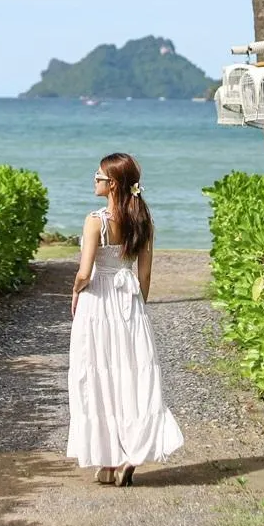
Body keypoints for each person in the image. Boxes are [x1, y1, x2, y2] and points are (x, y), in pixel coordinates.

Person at [66, 152, 184, 487]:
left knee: (98, 377)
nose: (94, 179)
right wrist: (137, 309)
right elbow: (144, 276)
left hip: (97, 303)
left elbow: (84, 272)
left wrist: (76, 293)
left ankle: (109, 459)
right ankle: (124, 455)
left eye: (99, 176)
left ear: (113, 184)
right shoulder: (143, 221)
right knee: (129, 378)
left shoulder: (96, 221)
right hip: (128, 302)